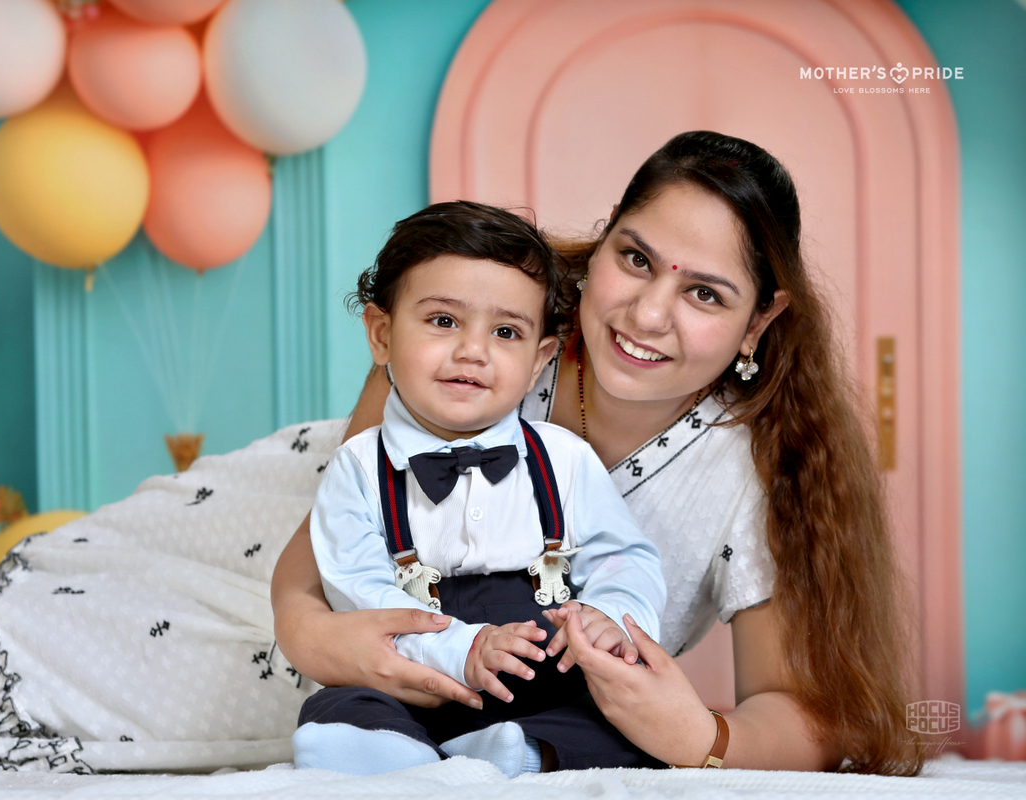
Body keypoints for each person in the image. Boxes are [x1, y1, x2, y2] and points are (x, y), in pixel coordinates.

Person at [272, 131, 924, 775]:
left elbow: (808, 716)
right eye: (636, 258)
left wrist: (695, 734)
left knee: (605, 738)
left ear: (759, 319)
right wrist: (325, 642)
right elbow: (308, 577)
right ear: (605, 234)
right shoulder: (470, 338)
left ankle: (517, 756)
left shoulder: (757, 468)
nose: (648, 315)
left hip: (551, 699)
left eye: (705, 293)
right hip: (387, 656)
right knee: (341, 713)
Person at [293, 202, 666, 776]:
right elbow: (360, 594)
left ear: (539, 359)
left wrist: (608, 615)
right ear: (382, 334)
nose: (473, 350)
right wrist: (460, 649)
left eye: (505, 332)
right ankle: (394, 753)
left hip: (538, 669)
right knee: (338, 706)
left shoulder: (565, 458)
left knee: (627, 720)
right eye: (444, 321)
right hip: (417, 672)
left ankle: (517, 753)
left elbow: (626, 557)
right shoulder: (358, 468)